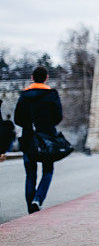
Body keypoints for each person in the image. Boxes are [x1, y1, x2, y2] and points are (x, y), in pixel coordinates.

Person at [14, 66, 62, 213]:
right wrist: (46, 125)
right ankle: (38, 198)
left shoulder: (24, 96)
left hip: (29, 138)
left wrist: (29, 126)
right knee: (48, 170)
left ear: (32, 78)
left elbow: (17, 118)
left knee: (30, 173)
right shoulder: (52, 95)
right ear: (46, 78)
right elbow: (58, 117)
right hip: (47, 138)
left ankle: (31, 207)